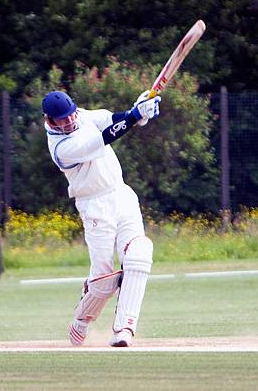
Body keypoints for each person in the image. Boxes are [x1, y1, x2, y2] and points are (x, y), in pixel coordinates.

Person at [42, 89, 161, 347]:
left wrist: (138, 112)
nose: (69, 121)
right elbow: (106, 137)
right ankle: (81, 320)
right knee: (105, 281)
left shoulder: (81, 116)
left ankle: (124, 329)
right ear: (50, 121)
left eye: (71, 115)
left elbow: (111, 120)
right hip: (94, 206)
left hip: (121, 193)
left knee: (139, 253)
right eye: (61, 120)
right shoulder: (62, 148)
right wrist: (133, 118)